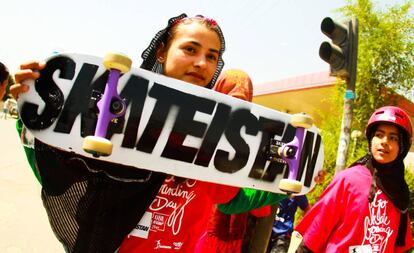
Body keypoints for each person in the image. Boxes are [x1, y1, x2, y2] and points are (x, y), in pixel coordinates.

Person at [12, 14, 287, 253]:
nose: (202, 62)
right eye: (190, 49)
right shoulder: (118, 108)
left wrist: (286, 182)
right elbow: (61, 171)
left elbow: (228, 200)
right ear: (162, 52)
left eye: (212, 56)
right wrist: (35, 105)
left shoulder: (218, 134)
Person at [295, 106, 413, 253]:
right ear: (371, 140)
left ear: (402, 146)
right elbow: (314, 234)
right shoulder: (348, 179)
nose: (384, 141)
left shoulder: (399, 193)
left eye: (393, 138)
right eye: (379, 135)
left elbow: (400, 246)